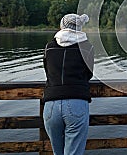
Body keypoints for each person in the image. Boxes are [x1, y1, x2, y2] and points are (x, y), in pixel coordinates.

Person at [42, 13, 94, 155]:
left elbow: (48, 71)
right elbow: (89, 74)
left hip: (51, 105)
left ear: (62, 26)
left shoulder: (49, 47)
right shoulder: (87, 47)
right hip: (76, 102)